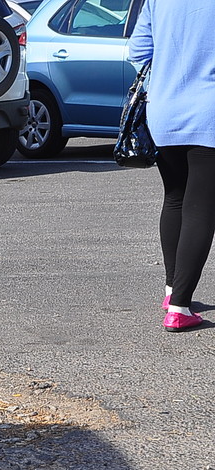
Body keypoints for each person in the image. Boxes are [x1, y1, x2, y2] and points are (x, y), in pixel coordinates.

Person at [128, 0, 215, 332]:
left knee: (175, 197)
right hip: (208, 111)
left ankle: (171, 291)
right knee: (201, 207)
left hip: (164, 110)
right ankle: (180, 307)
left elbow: (137, 51)